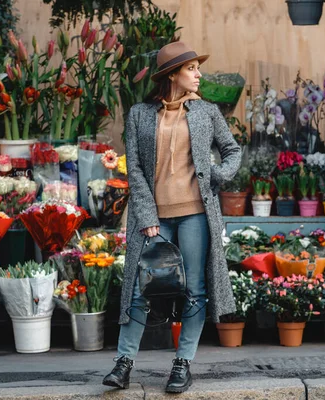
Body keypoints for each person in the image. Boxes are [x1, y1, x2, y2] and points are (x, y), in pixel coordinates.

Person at [102, 41, 241, 393]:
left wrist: (218, 176)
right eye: (192, 68)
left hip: (196, 215)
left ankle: (182, 364)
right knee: (139, 289)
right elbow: (134, 169)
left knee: (194, 291)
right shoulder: (139, 115)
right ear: (173, 75)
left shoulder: (206, 112)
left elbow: (232, 150)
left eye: (197, 68)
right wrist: (147, 214)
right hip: (155, 219)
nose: (198, 74)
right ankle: (124, 363)